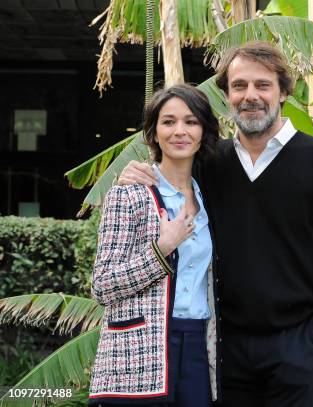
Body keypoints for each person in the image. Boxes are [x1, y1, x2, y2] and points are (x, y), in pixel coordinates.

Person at [119, 41, 313, 407]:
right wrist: (134, 174)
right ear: (227, 95)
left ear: (284, 92)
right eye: (239, 86)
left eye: (262, 85)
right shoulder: (208, 163)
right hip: (227, 351)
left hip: (300, 347)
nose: (250, 95)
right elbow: (167, 186)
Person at [88, 84, 220, 406]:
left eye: (190, 122)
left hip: (199, 346)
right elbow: (102, 285)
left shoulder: (212, 198)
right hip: (138, 349)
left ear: (203, 131)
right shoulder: (128, 194)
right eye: (168, 122)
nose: (180, 131)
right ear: (153, 132)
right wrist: (160, 250)